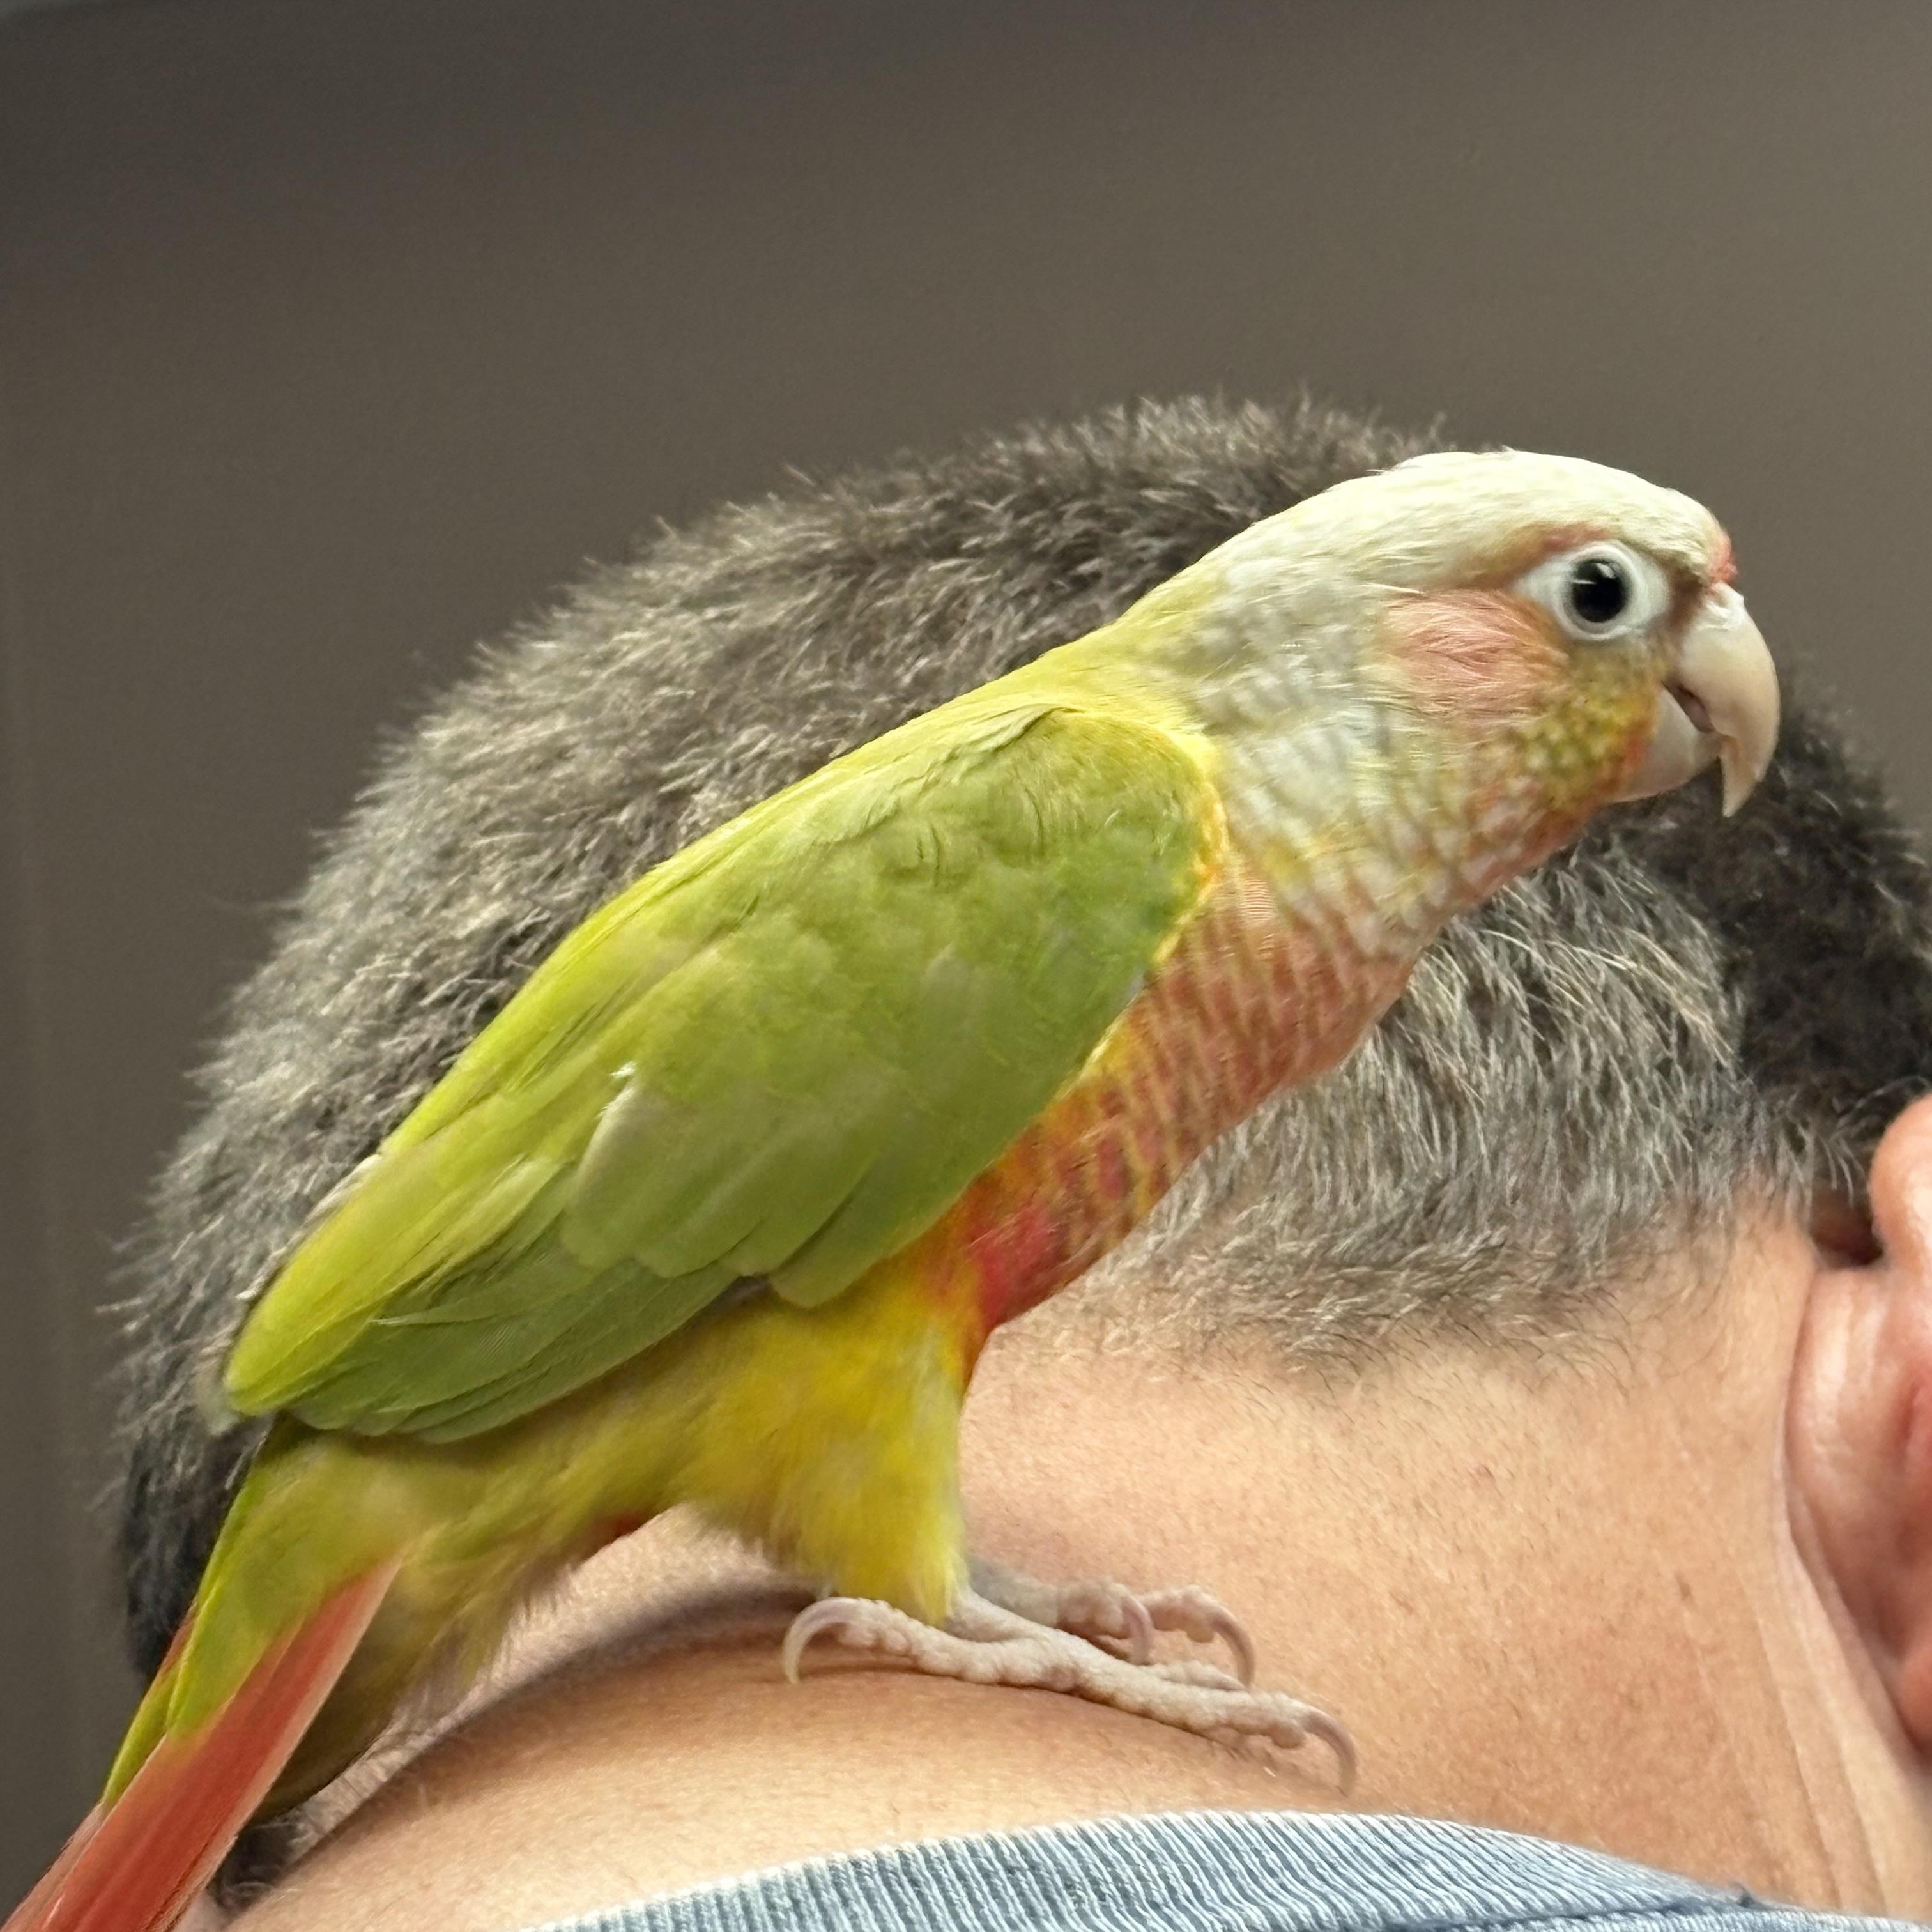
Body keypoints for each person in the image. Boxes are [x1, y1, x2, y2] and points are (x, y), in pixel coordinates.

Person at [115, 399, 1932, 1930]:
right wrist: (951, 1607)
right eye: (1601, 604)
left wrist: (990, 1596)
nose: (1693, 657)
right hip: (423, 1448)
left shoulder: (1268, 946)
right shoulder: (1103, 803)